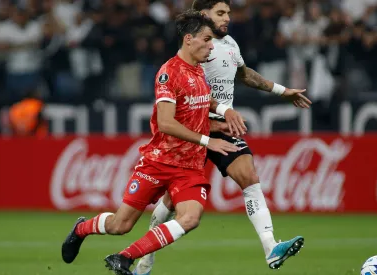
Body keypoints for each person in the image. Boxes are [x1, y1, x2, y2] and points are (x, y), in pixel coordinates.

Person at [61, 10, 247, 275]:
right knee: (120, 225)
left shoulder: (198, 71)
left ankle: (124, 258)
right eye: (207, 39)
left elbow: (199, 106)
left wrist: (223, 114)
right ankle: (81, 228)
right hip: (159, 162)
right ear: (188, 39)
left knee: (191, 217)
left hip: (189, 167)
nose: (211, 45)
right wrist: (209, 140)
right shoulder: (169, 73)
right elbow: (166, 123)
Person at [133, 1, 312, 274]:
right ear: (204, 16)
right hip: (194, 131)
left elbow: (243, 74)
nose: (228, 17)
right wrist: (218, 117)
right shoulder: (194, 52)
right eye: (220, 13)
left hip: (222, 127)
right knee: (170, 203)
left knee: (249, 177)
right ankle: (145, 260)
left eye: (228, 12)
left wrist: (281, 90)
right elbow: (186, 98)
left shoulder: (229, 43)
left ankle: (271, 248)